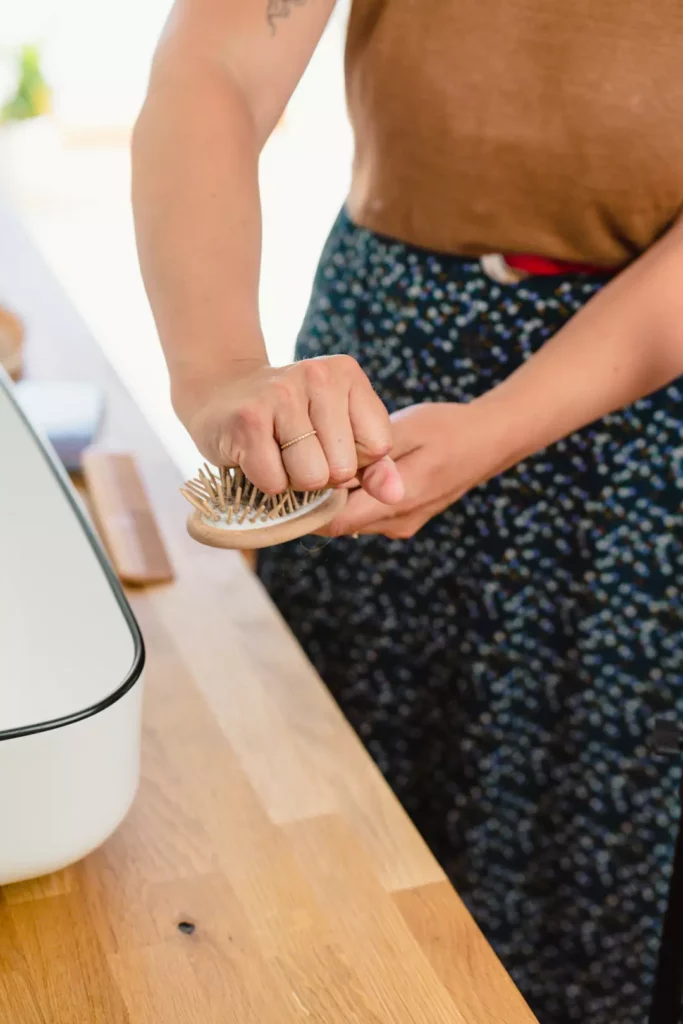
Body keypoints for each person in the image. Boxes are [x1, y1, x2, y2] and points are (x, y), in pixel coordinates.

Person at [131, 2, 683, 1021]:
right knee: (305, 803)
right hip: (383, 336)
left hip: (642, 415)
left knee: (575, 855)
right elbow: (214, 63)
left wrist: (500, 423)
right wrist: (217, 372)